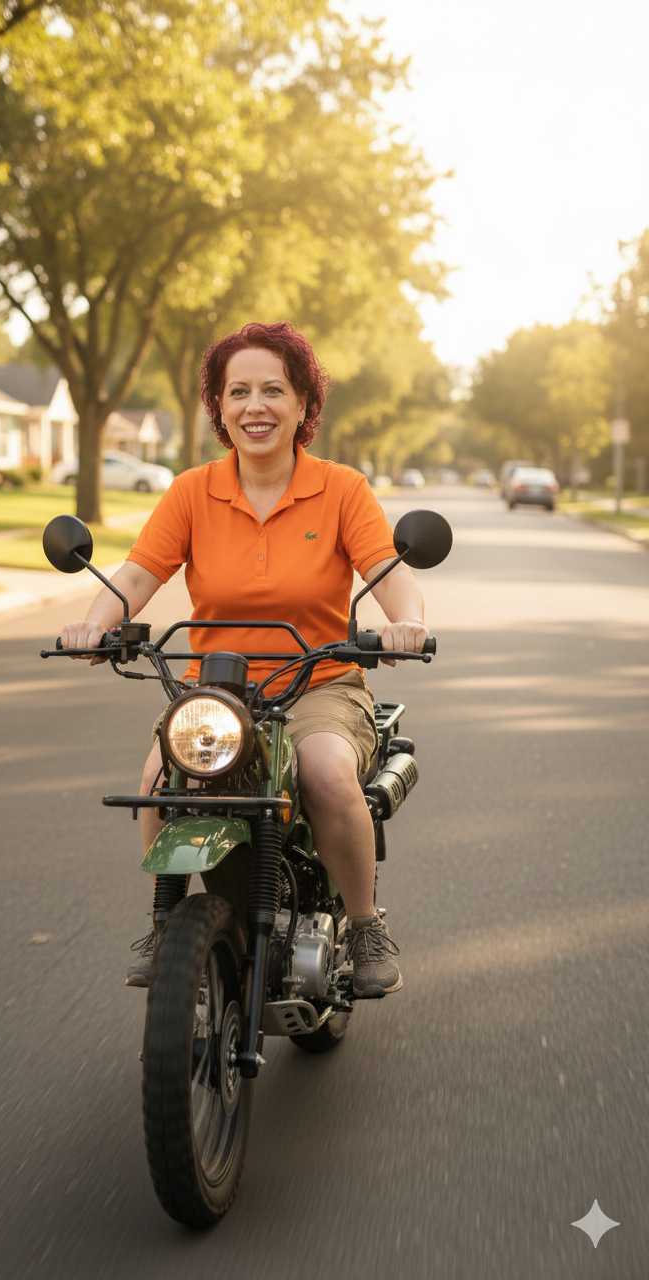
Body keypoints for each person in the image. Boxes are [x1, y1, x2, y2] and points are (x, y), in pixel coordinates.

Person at [62, 322, 429, 995]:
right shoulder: (192, 491)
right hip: (219, 691)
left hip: (317, 682)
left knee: (321, 770)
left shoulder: (342, 489)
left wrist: (406, 623)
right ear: (219, 407)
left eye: (272, 390)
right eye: (238, 392)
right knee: (161, 776)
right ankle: (166, 916)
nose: (254, 406)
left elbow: (387, 572)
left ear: (302, 407)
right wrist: (95, 625)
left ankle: (362, 922)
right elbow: (138, 576)